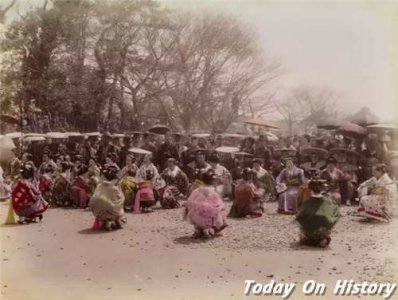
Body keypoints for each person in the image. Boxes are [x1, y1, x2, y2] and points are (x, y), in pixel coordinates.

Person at [184, 169, 228, 238]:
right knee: (215, 215)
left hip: (198, 215)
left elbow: (191, 200)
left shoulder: (197, 190)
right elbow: (217, 202)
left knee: (198, 217)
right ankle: (206, 230)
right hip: (209, 213)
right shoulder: (212, 190)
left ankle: (198, 231)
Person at [296, 179, 339, 248]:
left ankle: (308, 238)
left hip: (308, 232)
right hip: (322, 231)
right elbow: (336, 214)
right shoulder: (330, 203)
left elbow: (299, 216)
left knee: (301, 225)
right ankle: (322, 238)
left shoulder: (306, 202)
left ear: (310, 189)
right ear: (322, 189)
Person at [89, 164, 125, 230]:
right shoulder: (114, 189)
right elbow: (120, 200)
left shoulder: (99, 186)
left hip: (97, 213)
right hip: (110, 212)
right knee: (118, 204)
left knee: (106, 204)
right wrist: (119, 186)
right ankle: (115, 221)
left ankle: (107, 222)